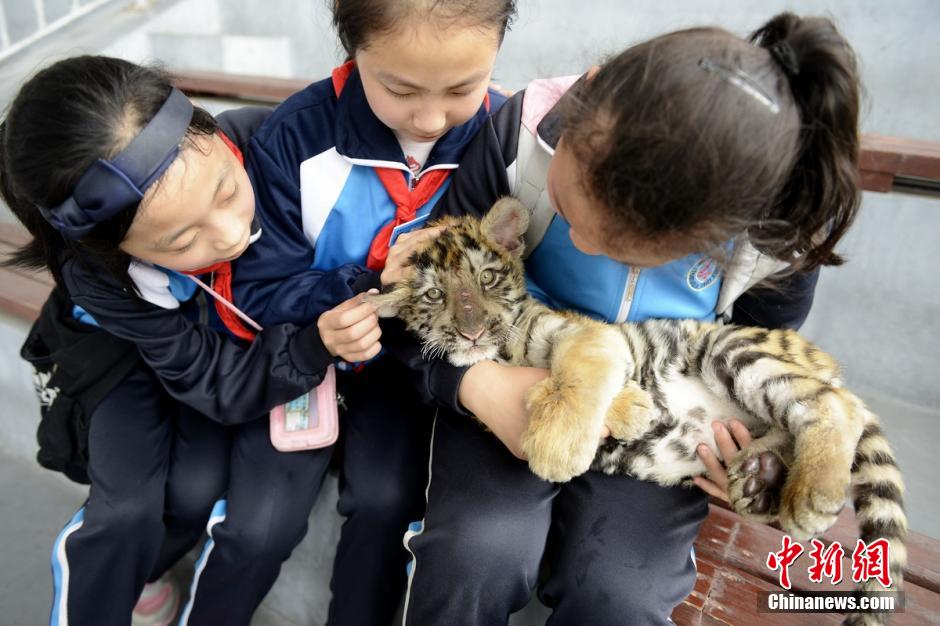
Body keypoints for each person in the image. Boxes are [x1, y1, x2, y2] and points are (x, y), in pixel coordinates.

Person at [386, 12, 861, 624]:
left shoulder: (773, 237)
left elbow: (764, 355)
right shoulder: (521, 134)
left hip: (655, 415)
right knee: (475, 554)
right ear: (587, 94)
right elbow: (415, 301)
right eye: (564, 208)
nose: (577, 243)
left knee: (620, 596)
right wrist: (474, 387)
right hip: (512, 377)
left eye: (618, 247)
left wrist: (755, 448)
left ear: (713, 240)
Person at [0, 56, 365, 625]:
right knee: (125, 510)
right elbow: (209, 378)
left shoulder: (270, 146)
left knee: (194, 490)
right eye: (181, 239)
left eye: (224, 191)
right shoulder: (99, 275)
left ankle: (152, 574)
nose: (229, 235)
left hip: (212, 348)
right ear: (112, 250)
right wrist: (308, 347)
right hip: (120, 353)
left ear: (208, 127)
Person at [229, 1, 516, 622]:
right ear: (353, 48)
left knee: (386, 503)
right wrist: (360, 282)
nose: (432, 116)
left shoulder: (503, 135)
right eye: (400, 88)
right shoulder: (296, 137)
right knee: (256, 529)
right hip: (304, 356)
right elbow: (254, 291)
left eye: (464, 87)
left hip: (407, 369)